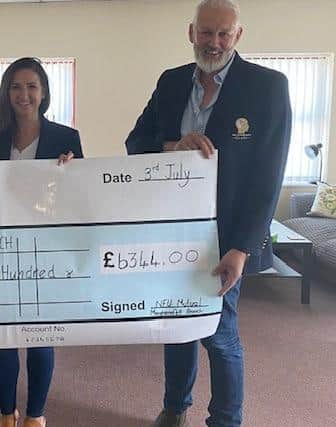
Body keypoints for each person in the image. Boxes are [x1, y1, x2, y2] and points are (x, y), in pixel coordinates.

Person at [125, 1, 291, 426]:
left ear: (238, 35)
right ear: (191, 32)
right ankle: (176, 406)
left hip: (227, 237)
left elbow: (267, 177)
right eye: (205, 32)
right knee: (177, 326)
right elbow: (135, 143)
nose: (213, 42)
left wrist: (242, 249)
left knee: (220, 334)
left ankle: (225, 420)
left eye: (223, 33)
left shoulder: (268, 87)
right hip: (172, 231)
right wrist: (172, 146)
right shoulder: (171, 82)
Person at [0, 57, 83, 427]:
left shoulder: (67, 138)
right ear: (7, 92)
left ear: (44, 92)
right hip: (1, 249)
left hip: (45, 249)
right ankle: (7, 413)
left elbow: (81, 196)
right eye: (16, 87)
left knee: (39, 334)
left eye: (32, 86)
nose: (24, 94)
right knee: (1, 334)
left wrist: (71, 171)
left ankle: (35, 416)